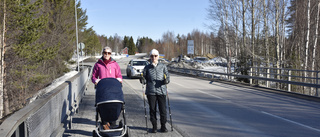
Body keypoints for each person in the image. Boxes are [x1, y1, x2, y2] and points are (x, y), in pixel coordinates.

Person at [91, 46, 123, 130]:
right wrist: (96, 81)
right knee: (103, 108)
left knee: (113, 107)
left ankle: (112, 126)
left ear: (111, 54)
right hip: (102, 91)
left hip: (113, 91)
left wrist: (119, 80)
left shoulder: (115, 64)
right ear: (102, 53)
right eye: (105, 53)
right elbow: (93, 77)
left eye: (109, 53)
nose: (107, 55)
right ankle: (104, 123)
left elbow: (119, 75)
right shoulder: (98, 64)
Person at [141, 49, 170, 133]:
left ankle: (163, 126)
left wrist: (166, 81)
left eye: (155, 56)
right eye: (152, 56)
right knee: (152, 110)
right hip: (151, 92)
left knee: (163, 110)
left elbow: (168, 77)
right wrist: (142, 79)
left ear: (158, 57)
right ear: (150, 57)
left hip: (161, 91)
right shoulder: (147, 67)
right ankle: (154, 127)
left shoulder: (163, 66)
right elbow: (145, 80)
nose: (153, 57)